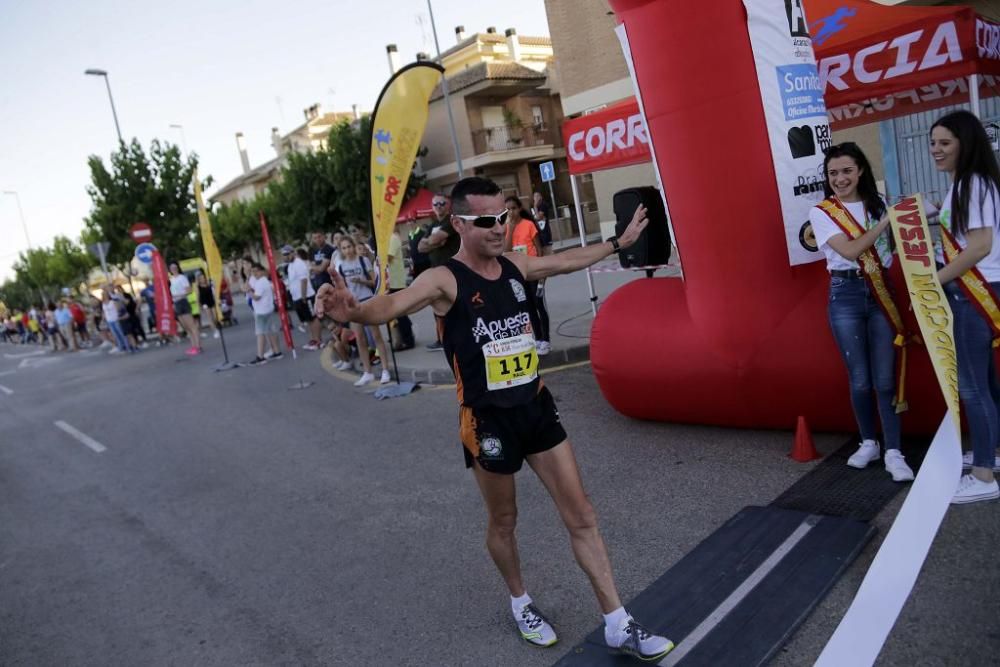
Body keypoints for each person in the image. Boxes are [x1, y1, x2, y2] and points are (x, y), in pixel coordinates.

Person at [314, 176, 673, 660]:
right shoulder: (444, 279)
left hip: (535, 406)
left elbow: (564, 261)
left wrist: (617, 243)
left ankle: (616, 621)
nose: (497, 227)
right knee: (504, 520)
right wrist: (353, 314)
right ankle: (521, 601)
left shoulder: (513, 266)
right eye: (485, 221)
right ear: (458, 223)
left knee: (582, 515)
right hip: (487, 423)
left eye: (502, 216)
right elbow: (393, 304)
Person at [808, 142, 914, 483]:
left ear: (861, 171)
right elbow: (852, 250)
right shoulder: (822, 212)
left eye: (847, 171)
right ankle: (869, 442)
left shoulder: (876, 205)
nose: (840, 178)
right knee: (860, 378)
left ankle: (894, 450)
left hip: (881, 291)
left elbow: (895, 247)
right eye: (833, 173)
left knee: (885, 378)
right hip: (846, 294)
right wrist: (887, 221)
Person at [929, 110, 1000, 504]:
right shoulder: (969, 184)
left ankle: (984, 476)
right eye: (933, 143)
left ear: (965, 144)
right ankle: (993, 453)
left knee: (972, 386)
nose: (936, 151)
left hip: (977, 290)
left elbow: (979, 246)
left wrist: (934, 280)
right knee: (985, 381)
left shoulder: (972, 184)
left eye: (945, 143)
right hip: (982, 287)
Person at [336, 236, 391, 386]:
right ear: (341, 250)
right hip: (353, 303)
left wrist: (361, 281)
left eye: (349, 246)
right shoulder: (341, 266)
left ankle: (386, 370)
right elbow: (342, 287)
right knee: (360, 338)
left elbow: (375, 281)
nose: (347, 250)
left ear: (353, 246)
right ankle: (368, 372)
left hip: (367, 299)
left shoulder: (363, 260)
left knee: (376, 335)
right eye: (344, 248)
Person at [503, 196, 551, 355]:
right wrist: (509, 227)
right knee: (528, 307)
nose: (511, 212)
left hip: (534, 271)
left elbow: (539, 248)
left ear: (520, 208)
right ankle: (537, 339)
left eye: (514, 208)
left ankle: (546, 340)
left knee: (539, 305)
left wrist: (542, 272)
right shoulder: (507, 228)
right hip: (519, 274)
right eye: (508, 209)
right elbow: (507, 250)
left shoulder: (528, 224)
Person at [418, 194, 460, 351]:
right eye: (436, 204)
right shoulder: (432, 225)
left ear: (448, 205)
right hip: (436, 271)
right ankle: (442, 339)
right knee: (438, 306)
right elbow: (420, 247)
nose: (439, 206)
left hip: (451, 270)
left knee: (454, 305)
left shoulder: (450, 220)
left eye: (442, 203)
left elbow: (435, 240)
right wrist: (435, 243)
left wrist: (432, 242)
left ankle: (457, 338)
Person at [284, 246, 322, 350]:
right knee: (308, 320)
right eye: (284, 255)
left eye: (288, 254)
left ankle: (318, 341)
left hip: (306, 296)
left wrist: (304, 297)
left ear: (293, 253)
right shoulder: (290, 266)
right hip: (297, 298)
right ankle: (313, 340)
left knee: (313, 318)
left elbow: (303, 280)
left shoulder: (299, 263)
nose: (286, 256)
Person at [386, 228, 415, 350]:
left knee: (400, 313)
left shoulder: (393, 238)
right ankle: (403, 336)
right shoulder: (388, 239)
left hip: (396, 281)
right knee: (398, 313)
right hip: (391, 282)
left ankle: (408, 340)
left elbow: (388, 257)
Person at [249, 263, 283, 365]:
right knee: (270, 331)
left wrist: (248, 292)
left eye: (256, 271)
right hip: (268, 309)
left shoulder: (261, 282)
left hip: (261, 311)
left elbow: (256, 297)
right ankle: (277, 351)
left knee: (260, 333)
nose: (255, 273)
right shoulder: (265, 281)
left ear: (261, 271)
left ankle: (260, 356)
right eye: (253, 271)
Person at [169, 262, 202, 355]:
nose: (173, 269)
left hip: (183, 301)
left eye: (175, 267)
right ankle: (193, 345)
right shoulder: (171, 279)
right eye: (172, 268)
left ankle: (198, 346)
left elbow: (189, 290)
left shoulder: (182, 278)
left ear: (178, 268)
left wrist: (178, 295)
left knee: (191, 325)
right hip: (176, 303)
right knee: (186, 327)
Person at [196, 273, 220, 340]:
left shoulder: (209, 284)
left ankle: (215, 326)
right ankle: (215, 331)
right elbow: (198, 297)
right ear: (199, 280)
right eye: (200, 278)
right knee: (210, 317)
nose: (202, 279)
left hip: (211, 301)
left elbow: (214, 291)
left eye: (203, 278)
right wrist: (199, 305)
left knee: (215, 316)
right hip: (204, 303)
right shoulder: (198, 287)